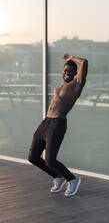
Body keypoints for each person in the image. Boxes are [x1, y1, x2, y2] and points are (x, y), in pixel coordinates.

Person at [28, 54, 88, 197]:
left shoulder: (77, 85)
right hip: (46, 122)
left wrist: (72, 58)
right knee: (33, 157)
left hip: (58, 124)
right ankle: (58, 177)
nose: (67, 73)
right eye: (65, 70)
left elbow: (84, 62)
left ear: (75, 73)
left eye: (71, 71)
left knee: (50, 160)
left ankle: (72, 179)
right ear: (62, 71)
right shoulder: (61, 86)